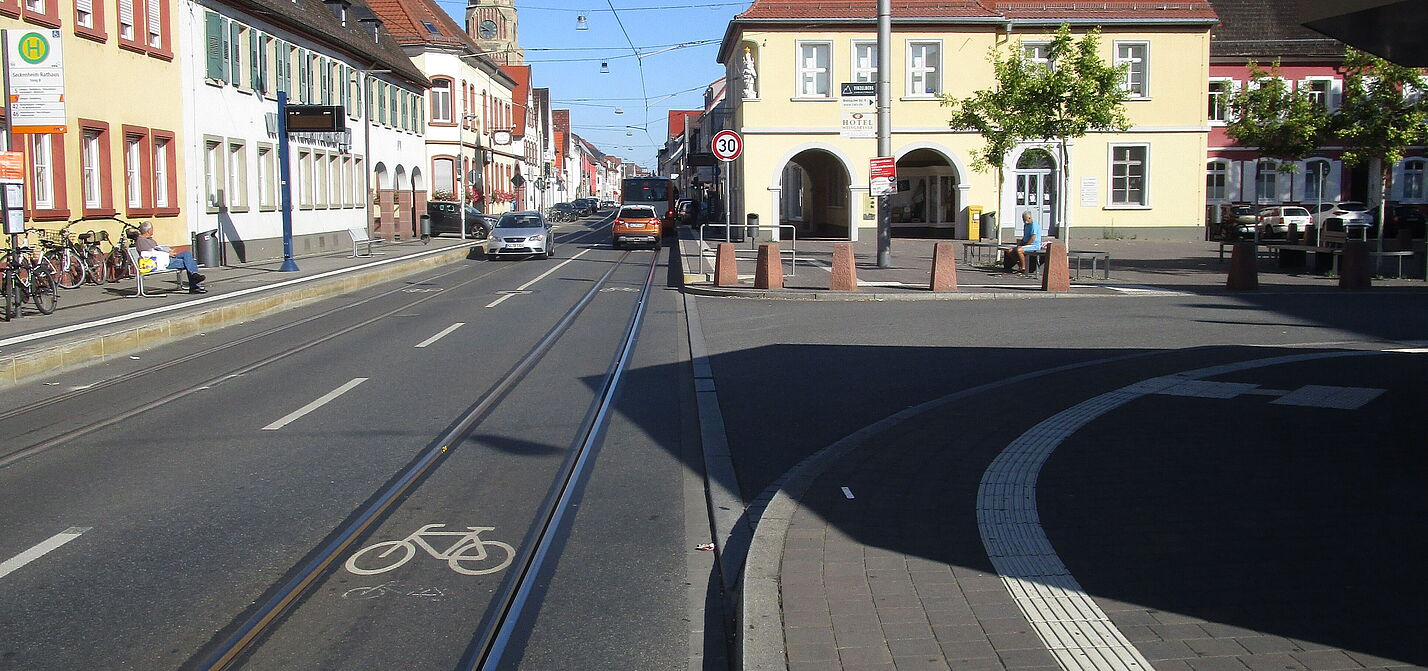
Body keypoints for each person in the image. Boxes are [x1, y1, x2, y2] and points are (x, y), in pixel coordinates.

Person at [135, 221, 207, 293]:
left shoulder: (150, 239)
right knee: (189, 262)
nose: (153, 230)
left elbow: (157, 250)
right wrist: (167, 254)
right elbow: (149, 254)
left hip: (165, 258)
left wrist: (168, 251)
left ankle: (194, 277)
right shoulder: (141, 241)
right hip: (159, 263)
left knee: (187, 254)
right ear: (149, 230)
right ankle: (194, 284)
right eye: (152, 229)